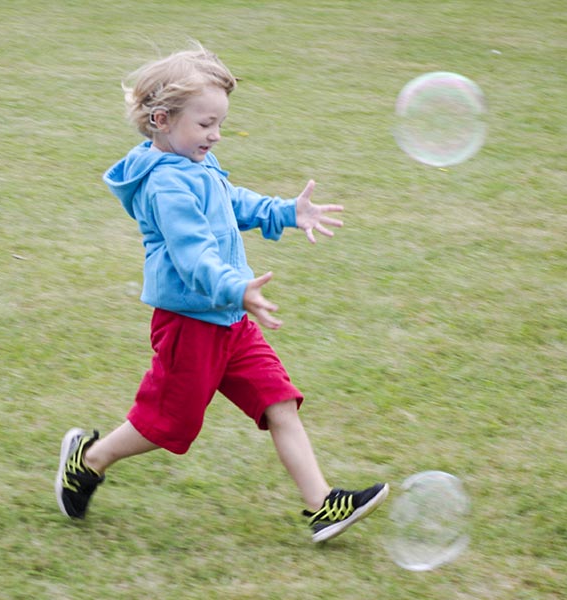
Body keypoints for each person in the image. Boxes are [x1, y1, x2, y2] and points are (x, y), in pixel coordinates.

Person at [56, 44, 387, 543]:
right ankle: (90, 460)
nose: (216, 135)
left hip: (230, 321)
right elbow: (192, 255)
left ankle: (323, 505)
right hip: (191, 323)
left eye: (219, 124)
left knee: (279, 402)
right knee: (168, 423)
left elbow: (231, 200)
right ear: (162, 120)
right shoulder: (166, 186)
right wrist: (237, 288)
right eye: (207, 124)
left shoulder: (194, 164)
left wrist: (285, 212)